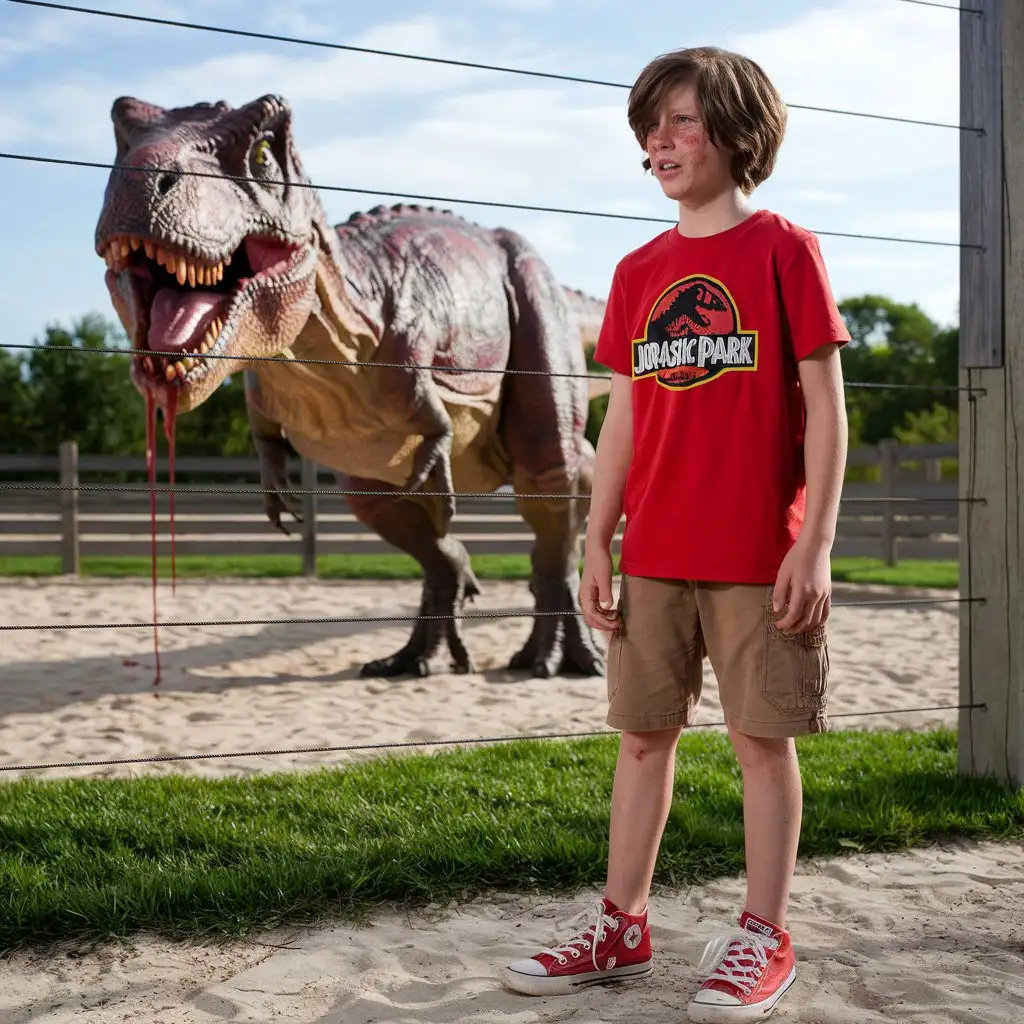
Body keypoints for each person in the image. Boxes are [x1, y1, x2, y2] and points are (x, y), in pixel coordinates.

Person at [501, 45, 850, 1021]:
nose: (661, 139)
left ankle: (761, 934)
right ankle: (622, 922)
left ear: (738, 134)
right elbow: (620, 419)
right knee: (642, 740)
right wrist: (596, 536)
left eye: (683, 120)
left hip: (755, 554)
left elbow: (825, 409)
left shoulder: (783, 248)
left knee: (759, 741)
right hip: (654, 552)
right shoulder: (637, 270)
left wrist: (812, 542)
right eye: (651, 124)